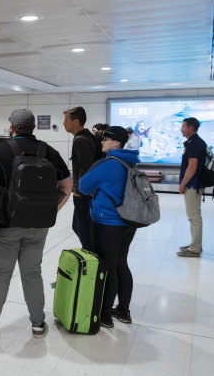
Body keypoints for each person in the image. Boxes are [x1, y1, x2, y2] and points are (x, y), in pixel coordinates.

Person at [0, 109, 72, 340]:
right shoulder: (49, 151)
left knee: (1, 274)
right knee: (32, 273)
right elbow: (67, 187)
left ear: (11, 128)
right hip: (38, 227)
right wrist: (49, 211)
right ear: (34, 128)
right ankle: (37, 325)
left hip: (5, 224)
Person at [79, 126, 139, 328]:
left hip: (107, 222)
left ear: (117, 143)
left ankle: (104, 315)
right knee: (121, 263)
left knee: (108, 266)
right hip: (129, 222)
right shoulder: (130, 162)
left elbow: (83, 186)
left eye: (107, 139)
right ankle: (123, 310)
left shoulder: (109, 164)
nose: (102, 141)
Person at [63, 106, 100, 251]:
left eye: (66, 120)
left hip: (83, 194)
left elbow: (86, 167)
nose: (64, 123)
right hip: (87, 192)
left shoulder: (80, 140)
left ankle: (92, 258)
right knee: (78, 226)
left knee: (84, 230)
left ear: (76, 121)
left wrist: (78, 190)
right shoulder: (88, 137)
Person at [177, 117, 207, 257]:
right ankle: (194, 244)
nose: (181, 129)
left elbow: (192, 167)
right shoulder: (194, 142)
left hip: (192, 185)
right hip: (193, 184)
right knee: (194, 216)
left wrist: (183, 184)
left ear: (191, 128)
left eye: (183, 126)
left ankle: (195, 248)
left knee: (194, 217)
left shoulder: (194, 144)